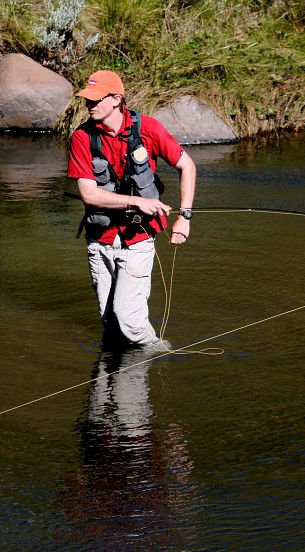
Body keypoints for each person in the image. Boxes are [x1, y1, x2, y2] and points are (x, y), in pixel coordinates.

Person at [67, 70, 197, 348]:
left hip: (138, 237)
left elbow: (187, 166)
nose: (89, 105)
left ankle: (156, 354)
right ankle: (109, 383)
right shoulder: (81, 137)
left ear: (116, 99)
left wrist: (184, 217)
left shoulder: (147, 128)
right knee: (109, 322)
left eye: (95, 99)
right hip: (100, 238)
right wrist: (137, 201)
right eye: (87, 100)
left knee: (127, 317)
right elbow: (89, 195)